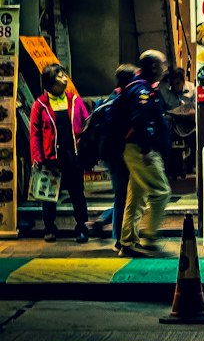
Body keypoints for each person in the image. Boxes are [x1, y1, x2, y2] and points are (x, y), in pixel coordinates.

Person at [111, 50, 172, 255]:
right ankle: (149, 237)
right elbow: (140, 120)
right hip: (140, 150)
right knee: (161, 192)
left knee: (136, 197)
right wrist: (146, 149)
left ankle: (127, 242)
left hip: (134, 149)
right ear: (154, 67)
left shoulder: (138, 86)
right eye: (163, 64)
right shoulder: (141, 90)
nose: (165, 68)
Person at [29, 62, 90, 243]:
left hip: (73, 157)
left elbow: (86, 123)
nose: (65, 78)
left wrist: (86, 150)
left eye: (64, 74)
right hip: (50, 159)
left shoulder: (74, 100)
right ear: (50, 83)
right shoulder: (39, 105)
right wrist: (37, 157)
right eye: (60, 75)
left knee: (77, 193)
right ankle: (49, 228)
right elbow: (35, 133)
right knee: (49, 197)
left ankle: (81, 227)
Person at [86, 63, 137, 246]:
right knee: (124, 196)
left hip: (111, 154)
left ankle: (105, 222)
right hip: (120, 155)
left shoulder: (113, 97)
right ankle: (118, 237)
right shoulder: (122, 100)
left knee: (123, 195)